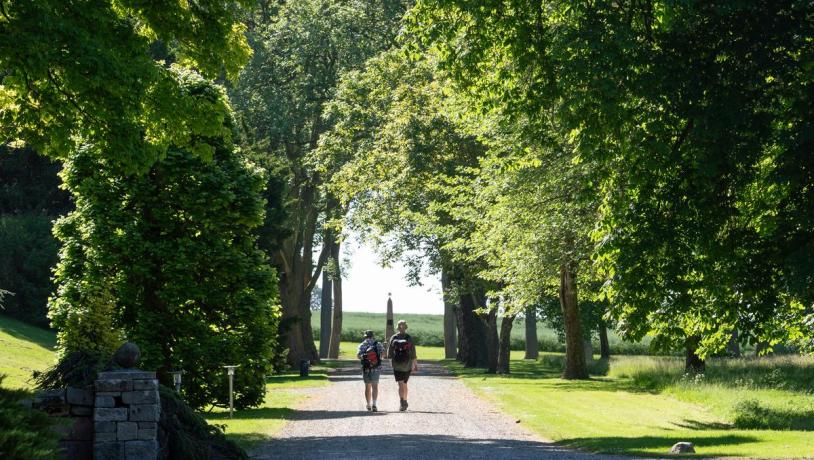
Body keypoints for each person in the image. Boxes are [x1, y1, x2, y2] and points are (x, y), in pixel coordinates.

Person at [387, 320, 418, 411]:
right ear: (406, 327)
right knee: (404, 383)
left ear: (398, 327)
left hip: (397, 364)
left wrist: (391, 363)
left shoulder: (394, 337)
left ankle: (402, 402)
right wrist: (415, 364)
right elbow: (413, 353)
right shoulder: (409, 338)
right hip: (407, 364)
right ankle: (405, 400)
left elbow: (390, 353)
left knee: (400, 384)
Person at [357, 330, 385, 412]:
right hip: (376, 368)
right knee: (375, 387)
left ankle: (368, 404)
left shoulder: (362, 344)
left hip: (366, 368)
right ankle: (374, 404)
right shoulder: (378, 344)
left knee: (367, 387)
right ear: (373, 336)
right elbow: (383, 355)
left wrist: (365, 357)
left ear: (365, 336)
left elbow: (358, 356)